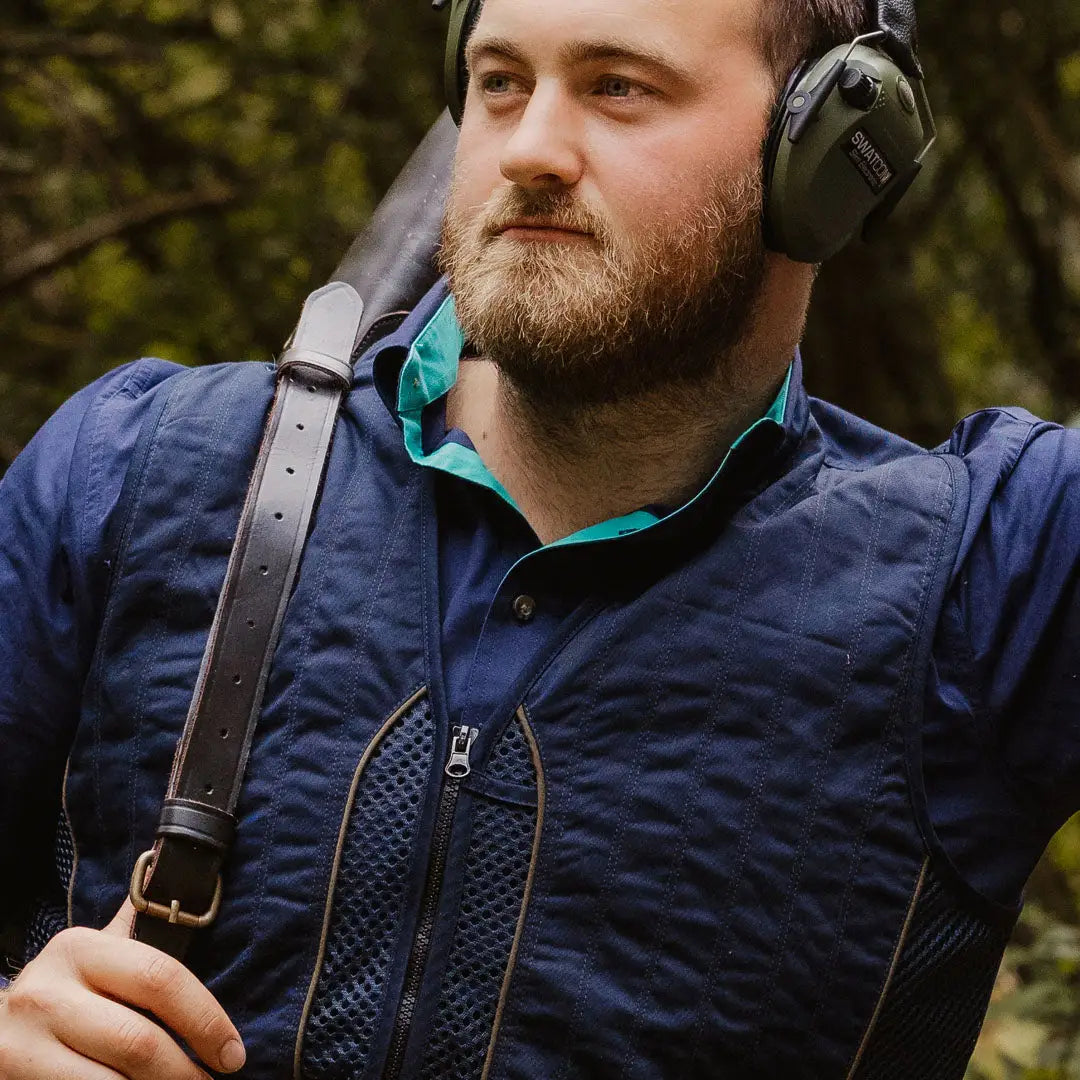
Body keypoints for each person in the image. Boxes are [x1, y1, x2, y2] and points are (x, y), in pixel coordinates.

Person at [1, 0, 1078, 1076]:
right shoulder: (136, 467)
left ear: (835, 153)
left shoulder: (996, 579)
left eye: (619, 87)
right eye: (501, 81)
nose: (531, 150)